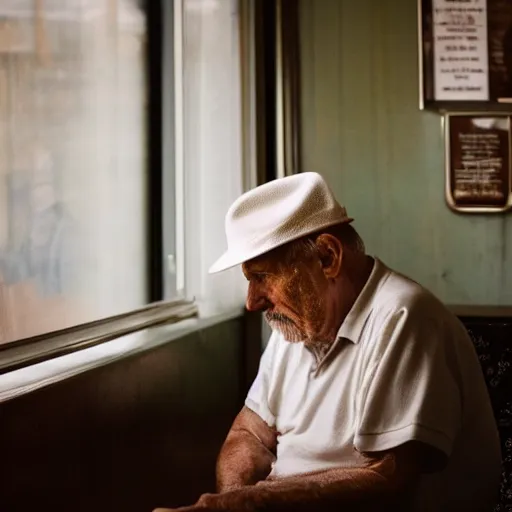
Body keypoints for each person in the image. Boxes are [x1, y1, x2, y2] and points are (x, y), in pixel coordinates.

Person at [155, 172, 501, 512]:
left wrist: (250, 503)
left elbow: (388, 479)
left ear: (327, 258)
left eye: (262, 277)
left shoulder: (405, 318)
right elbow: (249, 432)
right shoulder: (297, 321)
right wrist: (233, 500)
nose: (252, 301)